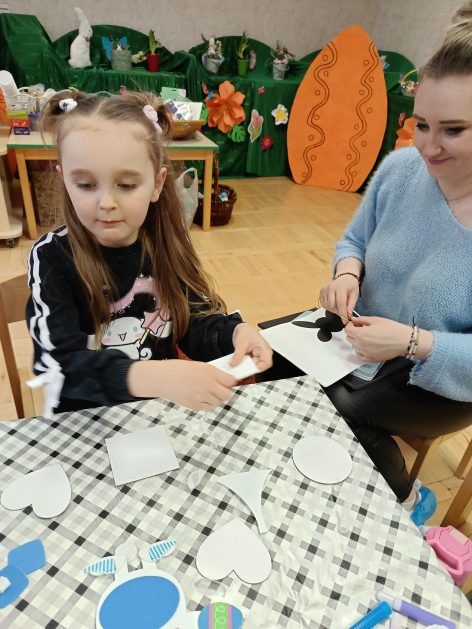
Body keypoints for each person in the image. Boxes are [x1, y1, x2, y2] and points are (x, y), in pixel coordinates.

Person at [27, 89, 272, 417]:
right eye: (86, 185)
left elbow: (192, 319)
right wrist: (153, 377)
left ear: (157, 184)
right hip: (87, 421)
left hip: (157, 411)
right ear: (63, 179)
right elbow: (57, 367)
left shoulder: (164, 242)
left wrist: (234, 333)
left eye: (126, 185)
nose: (106, 203)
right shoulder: (51, 256)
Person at [319, 4, 472, 510]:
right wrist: (347, 273)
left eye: (454, 130)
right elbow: (354, 240)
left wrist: (412, 342)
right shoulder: (401, 168)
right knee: (278, 363)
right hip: (364, 340)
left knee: (339, 411)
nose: (429, 147)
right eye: (422, 124)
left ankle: (407, 501)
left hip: (442, 378)